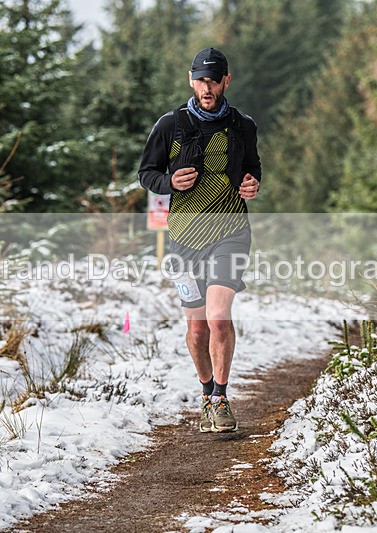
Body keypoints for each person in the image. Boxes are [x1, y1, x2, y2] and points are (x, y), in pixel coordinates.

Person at [138, 47, 261, 433]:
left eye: (214, 80)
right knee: (197, 329)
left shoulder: (243, 126)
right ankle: (207, 393)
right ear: (191, 81)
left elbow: (253, 168)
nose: (207, 88)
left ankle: (221, 399)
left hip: (230, 232)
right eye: (201, 80)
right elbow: (147, 173)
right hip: (183, 240)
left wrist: (253, 184)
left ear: (227, 80)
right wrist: (168, 183)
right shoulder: (169, 125)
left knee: (218, 319)